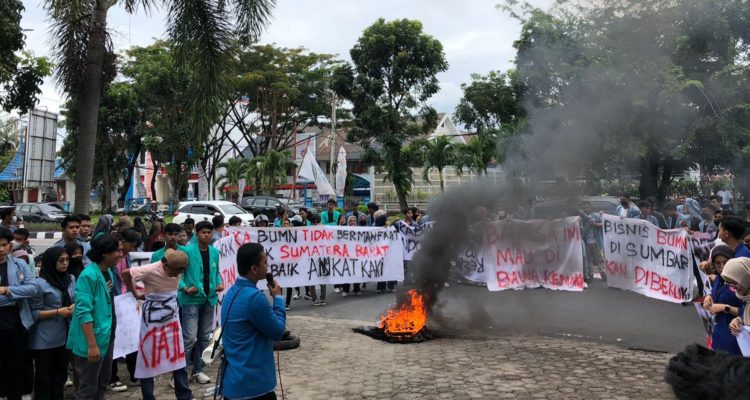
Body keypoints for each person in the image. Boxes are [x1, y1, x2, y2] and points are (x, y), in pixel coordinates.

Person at [122, 249, 192, 400]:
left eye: (180, 272)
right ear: (165, 264)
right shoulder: (149, 269)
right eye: (174, 271)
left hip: (172, 320)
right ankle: (148, 397)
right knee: (147, 361)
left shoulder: (179, 265)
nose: (177, 275)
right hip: (151, 324)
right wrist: (135, 294)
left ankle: (184, 396)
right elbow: (126, 273)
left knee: (179, 359)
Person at [220, 243, 285, 400]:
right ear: (254, 269)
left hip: (234, 381)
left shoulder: (232, 291)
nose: (268, 266)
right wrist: (278, 299)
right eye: (264, 263)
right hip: (252, 386)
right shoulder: (254, 298)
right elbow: (277, 331)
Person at [67, 234, 122, 400]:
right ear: (104, 253)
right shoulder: (88, 276)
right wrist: (92, 345)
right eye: (117, 251)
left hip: (106, 337)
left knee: (101, 384)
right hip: (93, 340)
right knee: (87, 389)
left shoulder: (108, 272)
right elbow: (83, 312)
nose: (120, 254)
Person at [179, 221, 223, 384]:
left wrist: (219, 283)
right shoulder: (187, 251)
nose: (206, 235)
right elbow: (178, 274)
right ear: (197, 234)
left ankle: (198, 370)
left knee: (204, 337)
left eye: (209, 232)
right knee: (189, 338)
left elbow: (216, 272)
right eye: (203, 232)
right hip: (191, 299)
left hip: (209, 298)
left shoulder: (215, 252)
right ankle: (179, 373)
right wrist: (184, 288)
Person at [30, 247, 76, 399]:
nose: (65, 263)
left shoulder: (70, 279)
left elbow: (74, 298)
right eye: (60, 260)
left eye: (67, 260)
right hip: (44, 339)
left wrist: (74, 306)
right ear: (50, 262)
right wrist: (58, 312)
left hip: (64, 336)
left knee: (60, 377)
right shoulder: (40, 284)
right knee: (44, 378)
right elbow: (33, 313)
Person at [0, 228, 36, 400]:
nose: (1, 249)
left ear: (9, 246)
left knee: (15, 366)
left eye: (4, 245)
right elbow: (23, 292)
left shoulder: (19, 264)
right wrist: (15, 295)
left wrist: (6, 290)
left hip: (16, 323)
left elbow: (32, 289)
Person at [109, 229, 142, 391]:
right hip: (112, 302)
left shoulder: (127, 257)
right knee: (113, 341)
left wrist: (135, 295)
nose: (133, 249)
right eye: (132, 245)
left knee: (131, 337)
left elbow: (126, 278)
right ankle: (112, 377)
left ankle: (134, 373)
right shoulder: (112, 259)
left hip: (125, 302)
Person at [701, 245, 744, 355]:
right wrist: (709, 297)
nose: (722, 266)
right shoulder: (719, 278)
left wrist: (725, 308)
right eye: (718, 263)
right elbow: (717, 294)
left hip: (736, 336)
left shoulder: (741, 281)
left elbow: (746, 311)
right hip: (718, 332)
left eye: (726, 262)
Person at [722, 258, 750, 339]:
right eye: (727, 282)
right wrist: (739, 320)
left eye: (734, 282)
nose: (731, 287)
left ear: (746, 278)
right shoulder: (746, 297)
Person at [374, 210, 396, 293]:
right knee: (382, 267)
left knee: (388, 266)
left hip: (388, 250)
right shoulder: (375, 229)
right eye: (383, 217)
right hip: (380, 251)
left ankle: (390, 285)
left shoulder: (390, 228)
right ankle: (382, 286)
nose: (385, 219)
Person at [341, 216, 362, 297]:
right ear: (348, 222)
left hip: (357, 255)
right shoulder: (344, 230)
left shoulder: (360, 230)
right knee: (347, 272)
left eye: (354, 221)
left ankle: (357, 289)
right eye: (351, 221)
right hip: (346, 255)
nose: (352, 222)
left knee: (357, 272)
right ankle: (345, 289)